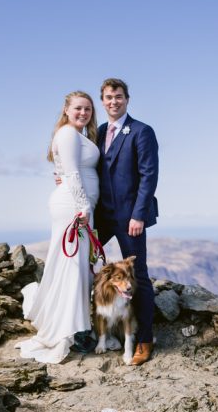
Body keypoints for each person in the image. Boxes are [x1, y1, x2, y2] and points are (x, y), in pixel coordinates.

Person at [18, 91, 100, 364]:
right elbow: (74, 174)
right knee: (72, 266)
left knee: (77, 267)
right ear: (66, 109)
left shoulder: (78, 136)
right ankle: (69, 330)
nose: (83, 113)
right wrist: (84, 207)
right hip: (74, 209)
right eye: (78, 108)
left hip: (78, 207)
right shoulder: (67, 134)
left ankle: (76, 326)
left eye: (88, 109)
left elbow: (68, 169)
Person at [94, 77, 159, 366]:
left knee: (139, 278)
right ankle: (92, 331)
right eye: (108, 97)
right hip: (101, 216)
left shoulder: (142, 131)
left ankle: (144, 340)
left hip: (130, 218)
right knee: (82, 267)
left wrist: (138, 214)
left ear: (127, 99)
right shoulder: (98, 132)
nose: (113, 101)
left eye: (118, 96)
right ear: (102, 100)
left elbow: (149, 176)